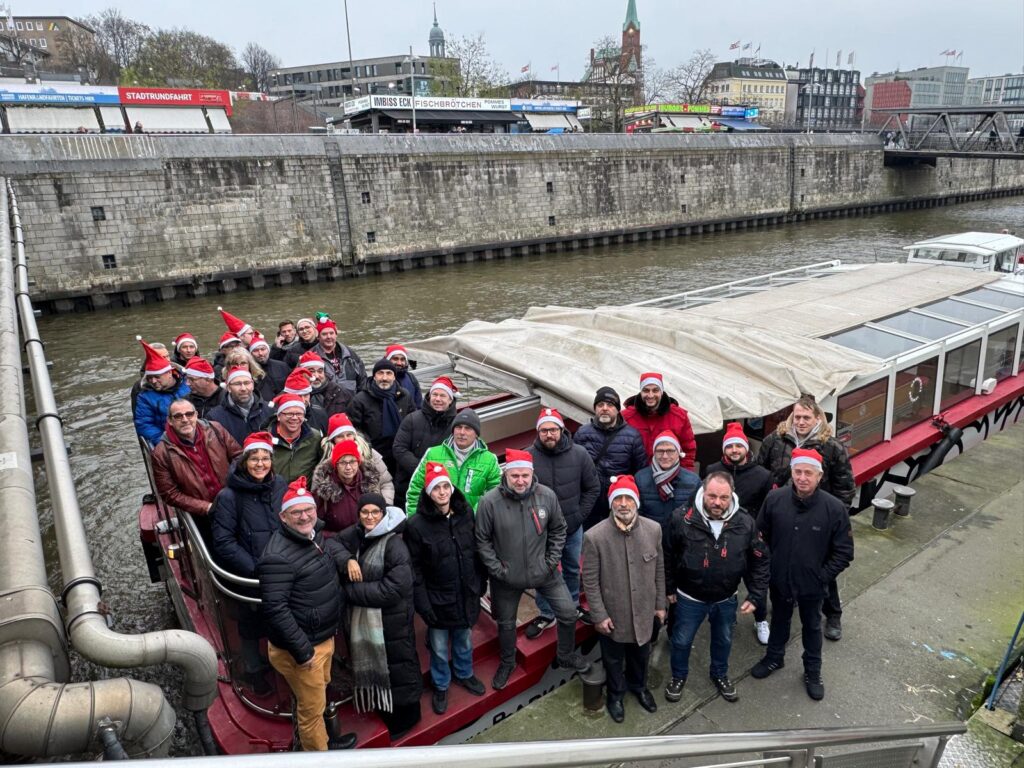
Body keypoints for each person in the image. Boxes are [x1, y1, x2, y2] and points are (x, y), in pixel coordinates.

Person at [475, 449, 591, 691]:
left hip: (544, 571)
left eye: (524, 475)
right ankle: (507, 662)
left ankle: (566, 654)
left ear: (531, 474)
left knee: (568, 613)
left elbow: (559, 529)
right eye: (515, 475)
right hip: (507, 576)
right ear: (506, 474)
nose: (520, 481)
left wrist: (550, 561)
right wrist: (497, 569)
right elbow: (482, 540)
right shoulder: (489, 502)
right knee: (506, 624)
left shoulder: (546, 496)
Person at [257, 477, 357, 751]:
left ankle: (329, 739)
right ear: (283, 517)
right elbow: (276, 609)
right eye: (296, 512)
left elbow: (326, 553)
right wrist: (303, 652)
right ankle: (320, 756)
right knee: (311, 711)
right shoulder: (277, 557)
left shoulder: (313, 535)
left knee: (321, 693)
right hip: (304, 649)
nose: (304, 517)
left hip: (321, 638)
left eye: (308, 510)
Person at [752, 449, 853, 701]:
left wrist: (822, 576)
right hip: (780, 580)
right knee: (779, 620)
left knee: (811, 626)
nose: (802, 477)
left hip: (813, 585)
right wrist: (769, 566)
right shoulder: (775, 499)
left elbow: (844, 552)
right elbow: (759, 536)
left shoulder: (834, 508)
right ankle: (775, 658)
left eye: (808, 473)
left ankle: (812, 671)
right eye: (798, 472)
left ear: (819, 476)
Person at [664, 472, 769, 704]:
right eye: (712, 496)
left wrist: (756, 594)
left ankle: (720, 674)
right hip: (689, 597)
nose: (717, 503)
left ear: (731, 494)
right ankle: (678, 677)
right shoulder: (681, 518)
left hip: (725, 598)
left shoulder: (746, 522)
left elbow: (760, 559)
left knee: (723, 641)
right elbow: (668, 554)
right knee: (681, 641)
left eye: (723, 497)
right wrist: (668, 587)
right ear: (704, 492)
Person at [757, 395, 854, 641]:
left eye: (806, 417)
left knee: (822, 569)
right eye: (797, 416)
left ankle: (832, 614)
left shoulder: (831, 446)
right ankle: (786, 600)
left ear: (817, 418)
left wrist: (836, 518)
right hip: (784, 511)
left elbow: (845, 485)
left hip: (819, 514)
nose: (800, 422)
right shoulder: (776, 440)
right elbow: (761, 471)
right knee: (784, 561)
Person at [337, 494, 422, 738]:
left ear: (384, 513)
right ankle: (387, 709)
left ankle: (407, 718)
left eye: (375, 512)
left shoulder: (395, 545)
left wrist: (350, 591)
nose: (370, 516)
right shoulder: (357, 534)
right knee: (386, 667)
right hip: (372, 621)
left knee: (399, 667)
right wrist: (347, 561)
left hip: (393, 619)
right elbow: (332, 544)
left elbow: (392, 590)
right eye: (365, 512)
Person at [582, 475, 666, 723]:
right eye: (618, 498)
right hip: (613, 615)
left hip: (645, 612)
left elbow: (659, 569)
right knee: (613, 658)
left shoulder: (654, 530)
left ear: (636, 502)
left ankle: (639, 687)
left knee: (642, 654)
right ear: (611, 503)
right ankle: (615, 695)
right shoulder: (594, 537)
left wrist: (660, 605)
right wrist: (599, 615)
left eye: (628, 498)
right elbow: (590, 581)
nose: (623, 504)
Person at [405, 463, 487, 714]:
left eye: (445, 486)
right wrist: (424, 604)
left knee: (463, 638)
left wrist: (480, 580)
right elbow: (415, 569)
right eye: (436, 488)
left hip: (465, 592)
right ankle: (441, 684)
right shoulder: (416, 525)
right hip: (437, 597)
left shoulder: (465, 515)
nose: (442, 492)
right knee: (439, 646)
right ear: (428, 492)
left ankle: (464, 673)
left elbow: (475, 551)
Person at [210, 432, 286, 694]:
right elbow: (223, 541)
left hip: (280, 569)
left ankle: (281, 662)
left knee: (282, 617)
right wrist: (254, 568)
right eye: (255, 459)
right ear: (244, 462)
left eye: (265, 458)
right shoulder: (228, 497)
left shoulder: (280, 485)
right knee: (251, 623)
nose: (261, 464)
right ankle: (253, 670)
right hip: (251, 573)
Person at [524, 407, 600, 638]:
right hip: (541, 530)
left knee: (571, 567)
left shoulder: (579, 454)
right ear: (539, 432)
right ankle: (546, 613)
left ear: (561, 430)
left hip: (572, 526)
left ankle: (573, 604)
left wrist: (578, 516)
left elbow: (592, 488)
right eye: (544, 430)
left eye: (553, 429)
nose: (549, 434)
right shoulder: (528, 457)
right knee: (542, 571)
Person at [705, 423, 775, 644]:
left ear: (746, 447)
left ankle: (761, 619)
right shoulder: (711, 470)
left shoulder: (763, 475)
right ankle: (727, 616)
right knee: (725, 581)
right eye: (730, 446)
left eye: (738, 445)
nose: (734, 450)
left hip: (751, 537)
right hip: (720, 535)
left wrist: (761, 534)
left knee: (756, 580)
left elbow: (768, 507)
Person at [151, 398, 241, 538]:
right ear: (170, 421)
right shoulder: (161, 453)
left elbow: (238, 457)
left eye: (189, 414)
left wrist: (235, 489)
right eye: (178, 416)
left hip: (233, 502)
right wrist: (206, 507)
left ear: (196, 415)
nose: (185, 419)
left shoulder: (216, 429)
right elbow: (169, 493)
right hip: (202, 517)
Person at [573, 386, 647, 528]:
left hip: (620, 502)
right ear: (595, 409)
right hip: (589, 503)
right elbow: (573, 467)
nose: (605, 408)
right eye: (600, 405)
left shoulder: (632, 436)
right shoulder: (582, 433)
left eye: (610, 405)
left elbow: (640, 472)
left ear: (618, 409)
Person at [405, 408, 501, 516]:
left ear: (476, 434)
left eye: (468, 428)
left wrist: (472, 517)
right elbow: (415, 490)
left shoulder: (489, 460)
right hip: (436, 523)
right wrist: (415, 523)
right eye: (458, 427)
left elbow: (496, 495)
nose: (462, 432)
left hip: (472, 524)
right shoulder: (433, 453)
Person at [392, 375, 458, 507]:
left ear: (450, 400)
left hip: (443, 488)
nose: (438, 399)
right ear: (429, 396)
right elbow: (399, 448)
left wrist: (438, 477)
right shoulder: (412, 419)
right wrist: (423, 471)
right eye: (435, 395)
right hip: (409, 484)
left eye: (442, 396)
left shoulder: (457, 425)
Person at [311, 438, 394, 533]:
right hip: (337, 542)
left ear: (358, 463)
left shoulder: (370, 482)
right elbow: (316, 527)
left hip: (368, 538)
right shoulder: (324, 489)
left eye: (352, 462)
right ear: (335, 465)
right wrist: (336, 540)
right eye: (342, 462)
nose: (348, 467)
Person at [347, 359, 414, 475]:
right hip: (374, 453)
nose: (384, 378)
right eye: (380, 373)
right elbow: (353, 428)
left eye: (389, 373)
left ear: (394, 377)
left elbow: (413, 422)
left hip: (400, 451)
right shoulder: (360, 399)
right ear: (374, 376)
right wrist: (368, 448)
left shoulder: (404, 396)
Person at [621, 372, 697, 470]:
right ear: (640, 392)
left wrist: (685, 477)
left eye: (655, 390)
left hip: (669, 475)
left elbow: (688, 450)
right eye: (646, 390)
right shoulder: (627, 417)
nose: (650, 395)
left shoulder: (679, 416)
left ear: (661, 391)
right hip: (636, 476)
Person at [635, 431, 700, 535]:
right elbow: (637, 513)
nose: (665, 456)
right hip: (649, 537)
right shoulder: (640, 478)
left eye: (670, 451)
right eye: (660, 451)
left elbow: (696, 515)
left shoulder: (693, 481)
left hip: (681, 539)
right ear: (654, 452)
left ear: (678, 452)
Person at [134, 337, 190, 448]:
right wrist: (165, 442)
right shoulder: (144, 397)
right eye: (149, 378)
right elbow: (144, 424)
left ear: (169, 373)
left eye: (157, 377)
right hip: (168, 443)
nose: (153, 381)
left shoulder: (188, 383)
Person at [207, 365, 273, 446]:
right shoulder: (215, 417)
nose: (243, 388)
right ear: (228, 387)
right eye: (237, 384)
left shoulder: (270, 411)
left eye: (247, 383)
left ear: (252, 385)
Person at [267, 394, 323, 484]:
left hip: (303, 495)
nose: (294, 418)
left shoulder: (314, 437)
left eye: (299, 414)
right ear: (278, 416)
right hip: (275, 495)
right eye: (289, 414)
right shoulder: (266, 438)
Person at [311, 318, 366, 395]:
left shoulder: (350, 354)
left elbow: (363, 381)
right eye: (324, 334)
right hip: (325, 403)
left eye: (331, 333)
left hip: (351, 402)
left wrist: (360, 400)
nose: (329, 337)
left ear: (336, 334)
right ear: (318, 337)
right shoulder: (310, 356)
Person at [300, 351, 352, 417]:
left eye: (320, 371)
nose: (316, 376)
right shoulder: (292, 392)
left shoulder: (340, 392)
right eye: (311, 371)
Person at [281, 367, 330, 434]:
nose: (303, 400)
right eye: (299, 396)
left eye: (306, 395)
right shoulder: (279, 416)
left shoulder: (320, 414)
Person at [384, 344, 423, 408]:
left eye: (402, 359)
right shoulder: (381, 379)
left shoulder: (411, 378)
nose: (399, 363)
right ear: (388, 360)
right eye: (395, 359)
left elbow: (419, 404)